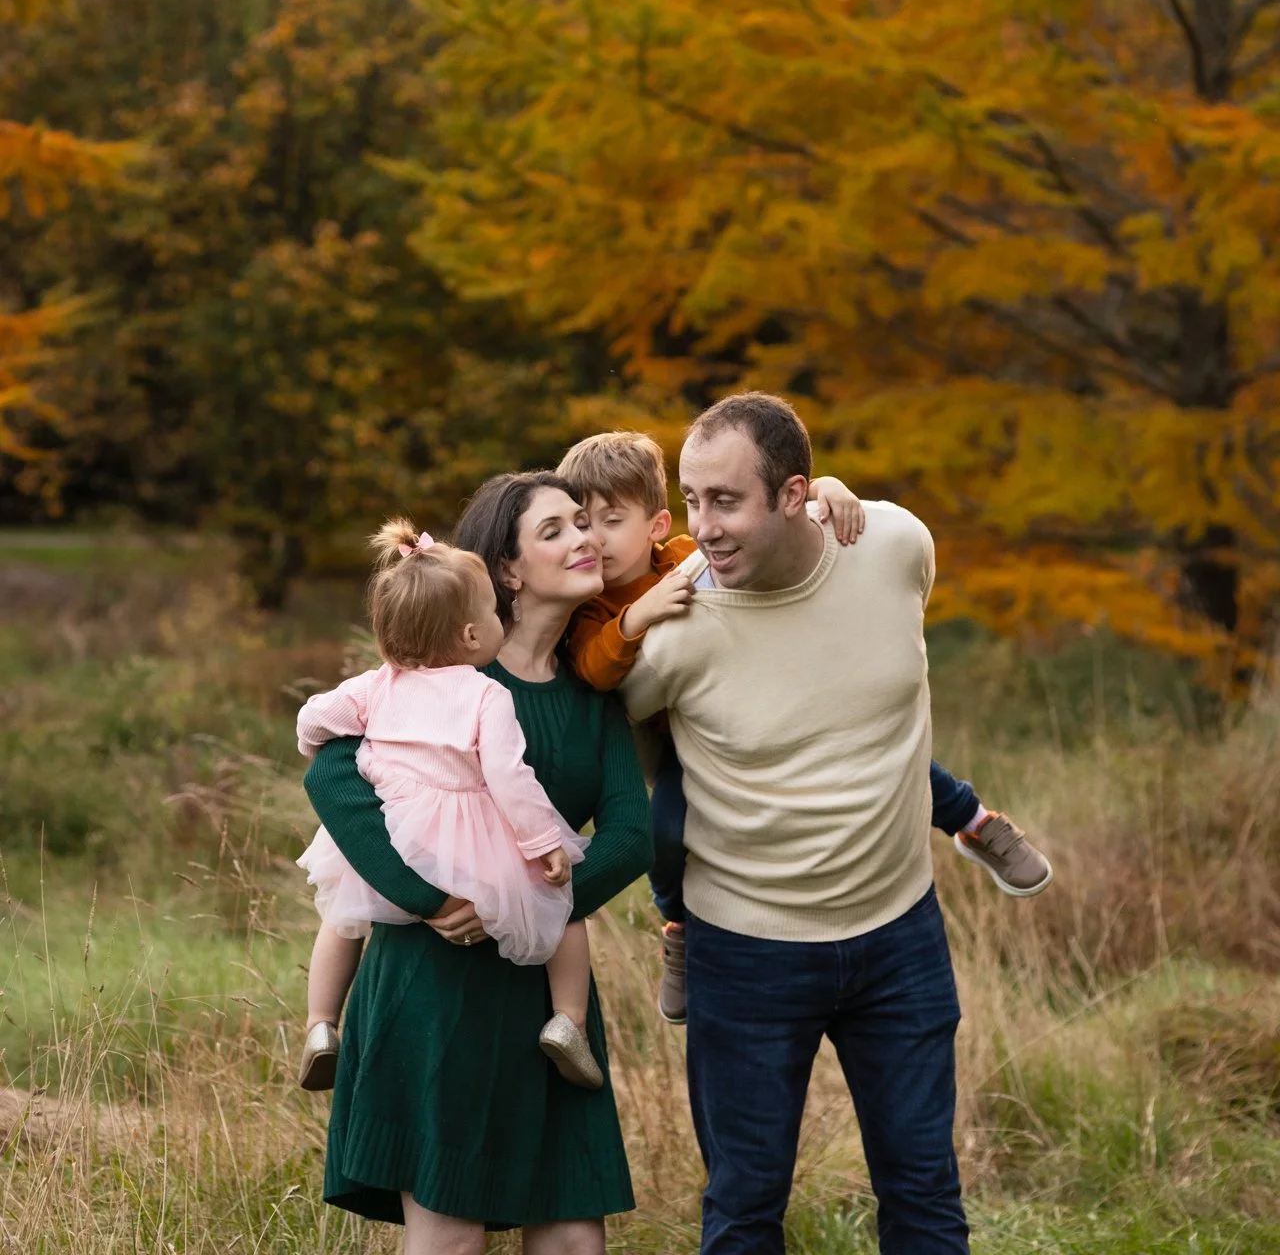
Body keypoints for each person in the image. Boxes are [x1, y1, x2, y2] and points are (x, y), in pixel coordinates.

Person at [622, 393, 974, 1255]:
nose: (703, 527)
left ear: (795, 494)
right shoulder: (675, 633)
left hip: (901, 938)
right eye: (692, 499)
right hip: (743, 951)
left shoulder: (895, 548)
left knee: (926, 1193)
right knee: (744, 1210)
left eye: (727, 500)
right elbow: (634, 749)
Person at [556, 429, 1051, 1027]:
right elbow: (593, 667)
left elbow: (769, 526)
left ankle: (976, 823)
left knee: (879, 748)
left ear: (658, 525)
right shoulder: (585, 602)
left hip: (760, 701)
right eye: (582, 523)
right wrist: (640, 615)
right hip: (683, 747)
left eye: (612, 520)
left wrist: (828, 490)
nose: (594, 539)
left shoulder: (692, 552)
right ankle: (679, 925)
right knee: (664, 830)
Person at [301, 471, 651, 1255]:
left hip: (545, 1000)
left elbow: (633, 829)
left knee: (571, 1240)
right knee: (449, 1239)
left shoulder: (595, 694)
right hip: (435, 982)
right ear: (507, 571)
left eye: (587, 523)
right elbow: (329, 771)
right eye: (555, 529)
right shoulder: (442, 670)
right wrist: (427, 898)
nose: (586, 539)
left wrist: (532, 905)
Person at [295, 519, 601, 1098]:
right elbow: (510, 778)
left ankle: (320, 1025)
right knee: (563, 908)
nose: (498, 620)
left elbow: (312, 718)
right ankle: (568, 1022)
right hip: (467, 843)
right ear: (468, 635)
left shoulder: (375, 687)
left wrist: (316, 741)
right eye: (490, 611)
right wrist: (543, 844)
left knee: (341, 916)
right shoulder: (487, 693)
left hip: (397, 834)